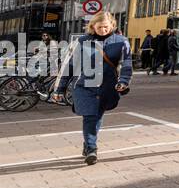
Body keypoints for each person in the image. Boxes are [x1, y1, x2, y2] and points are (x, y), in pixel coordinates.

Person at [54, 11, 132, 165]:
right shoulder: (82, 41)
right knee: (90, 116)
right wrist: (59, 89)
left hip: (107, 86)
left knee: (97, 116)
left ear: (112, 26)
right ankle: (91, 148)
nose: (103, 30)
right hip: (85, 86)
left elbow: (126, 64)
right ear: (92, 26)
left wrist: (123, 81)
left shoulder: (121, 41)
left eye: (106, 27)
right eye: (100, 27)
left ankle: (88, 143)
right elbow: (69, 65)